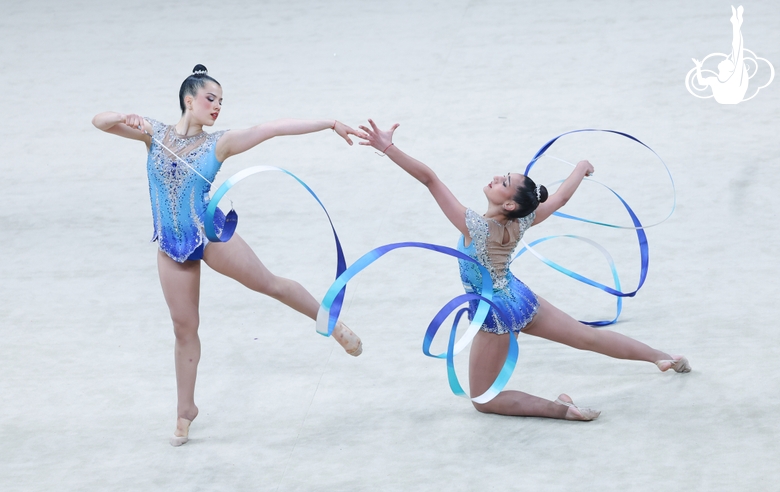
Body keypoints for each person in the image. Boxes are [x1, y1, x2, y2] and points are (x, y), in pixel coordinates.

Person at [92, 65, 364, 446]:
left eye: (221, 101)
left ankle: (331, 323)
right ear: (189, 99)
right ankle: (185, 410)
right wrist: (124, 117)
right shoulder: (154, 133)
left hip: (209, 233)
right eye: (210, 98)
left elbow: (272, 128)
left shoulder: (218, 144)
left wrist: (329, 122)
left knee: (269, 284)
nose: (217, 106)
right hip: (171, 246)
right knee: (184, 329)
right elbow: (99, 122)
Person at [358, 119, 690, 421]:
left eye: (504, 181)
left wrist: (387, 147)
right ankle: (662, 356)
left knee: (484, 400)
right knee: (588, 337)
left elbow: (429, 179)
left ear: (510, 204)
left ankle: (563, 410)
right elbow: (558, 199)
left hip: (494, 313)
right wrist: (580, 168)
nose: (496, 177)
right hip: (520, 297)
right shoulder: (523, 221)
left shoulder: (475, 226)